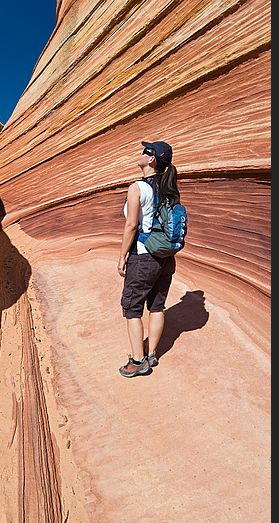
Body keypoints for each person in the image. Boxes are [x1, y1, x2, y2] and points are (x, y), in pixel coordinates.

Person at [117, 140, 179, 377]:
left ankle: (137, 361)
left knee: (132, 308)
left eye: (145, 151)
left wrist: (122, 256)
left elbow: (132, 224)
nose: (140, 154)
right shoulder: (169, 188)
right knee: (156, 305)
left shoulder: (137, 188)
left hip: (143, 257)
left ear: (151, 159)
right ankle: (152, 354)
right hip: (166, 257)